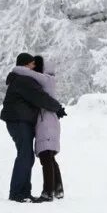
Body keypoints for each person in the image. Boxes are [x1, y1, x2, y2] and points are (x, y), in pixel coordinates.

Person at [0, 52, 66, 203]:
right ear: (26, 64)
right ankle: (17, 193)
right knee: (25, 155)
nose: (34, 66)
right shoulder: (23, 80)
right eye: (32, 64)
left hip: (20, 120)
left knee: (27, 155)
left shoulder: (22, 79)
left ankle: (23, 192)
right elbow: (39, 96)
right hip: (19, 120)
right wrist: (57, 108)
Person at [31, 55, 64, 201]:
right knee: (49, 156)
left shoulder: (46, 79)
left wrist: (17, 69)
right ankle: (58, 189)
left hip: (47, 122)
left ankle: (48, 192)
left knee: (46, 157)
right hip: (48, 121)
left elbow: (26, 73)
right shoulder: (48, 80)